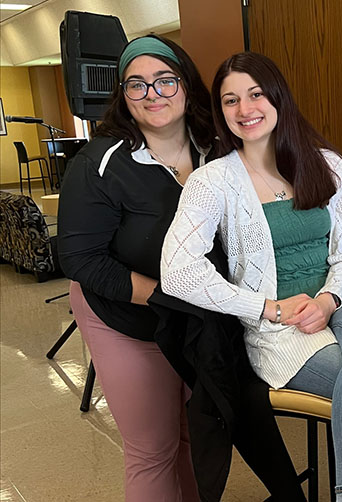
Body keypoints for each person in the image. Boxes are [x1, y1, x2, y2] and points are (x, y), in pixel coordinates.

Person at [161, 51, 342, 501]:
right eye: (230, 101)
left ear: (277, 97)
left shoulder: (326, 164)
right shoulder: (212, 182)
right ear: (220, 111)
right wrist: (265, 307)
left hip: (341, 304)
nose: (245, 110)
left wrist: (327, 300)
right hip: (279, 330)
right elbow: (177, 271)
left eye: (255, 94)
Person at [57, 36, 239, 501]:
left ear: (187, 84)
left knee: (191, 433)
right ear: (123, 95)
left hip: (195, 316)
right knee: (151, 448)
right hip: (123, 314)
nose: (152, 93)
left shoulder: (218, 153)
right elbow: (80, 259)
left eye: (164, 80)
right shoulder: (99, 163)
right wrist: (169, 295)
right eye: (136, 85)